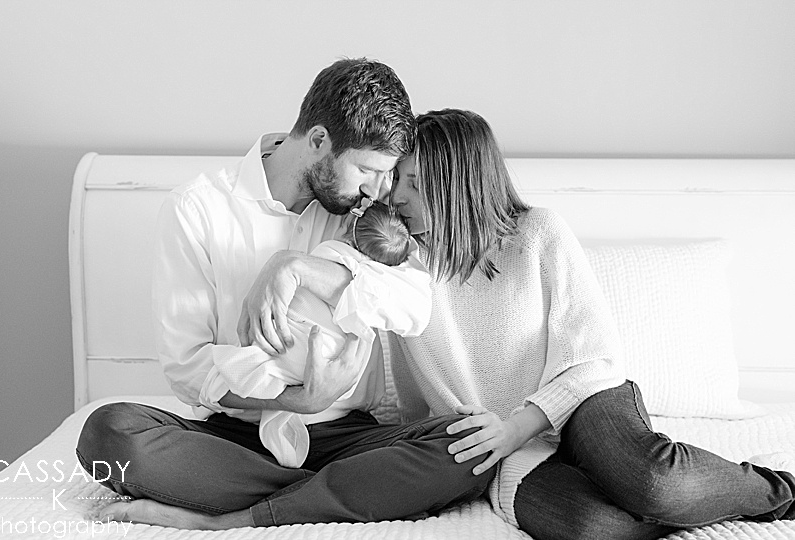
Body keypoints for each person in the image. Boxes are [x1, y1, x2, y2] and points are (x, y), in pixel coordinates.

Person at [76, 60, 493, 530]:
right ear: (318, 140)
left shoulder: (365, 212)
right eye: (366, 169)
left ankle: (228, 517)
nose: (379, 189)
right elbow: (187, 368)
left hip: (348, 437)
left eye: (387, 173)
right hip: (236, 439)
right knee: (109, 434)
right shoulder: (197, 209)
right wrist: (298, 401)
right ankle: (337, 493)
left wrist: (295, 267)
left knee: (468, 444)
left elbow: (413, 305)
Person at [386, 108, 795, 540]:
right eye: (395, 180)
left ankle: (776, 489)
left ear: (458, 185)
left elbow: (596, 359)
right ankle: (697, 500)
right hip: (508, 453)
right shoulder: (397, 267)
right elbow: (412, 401)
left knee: (654, 484)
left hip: (584, 403)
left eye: (415, 183)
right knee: (591, 528)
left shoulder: (537, 233)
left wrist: (515, 428)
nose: (396, 197)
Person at [253, 199, 426, 468]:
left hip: (345, 412)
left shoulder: (329, 252)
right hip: (285, 383)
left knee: (451, 442)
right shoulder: (375, 265)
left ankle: (294, 483)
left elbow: (416, 312)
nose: (375, 190)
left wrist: (296, 267)